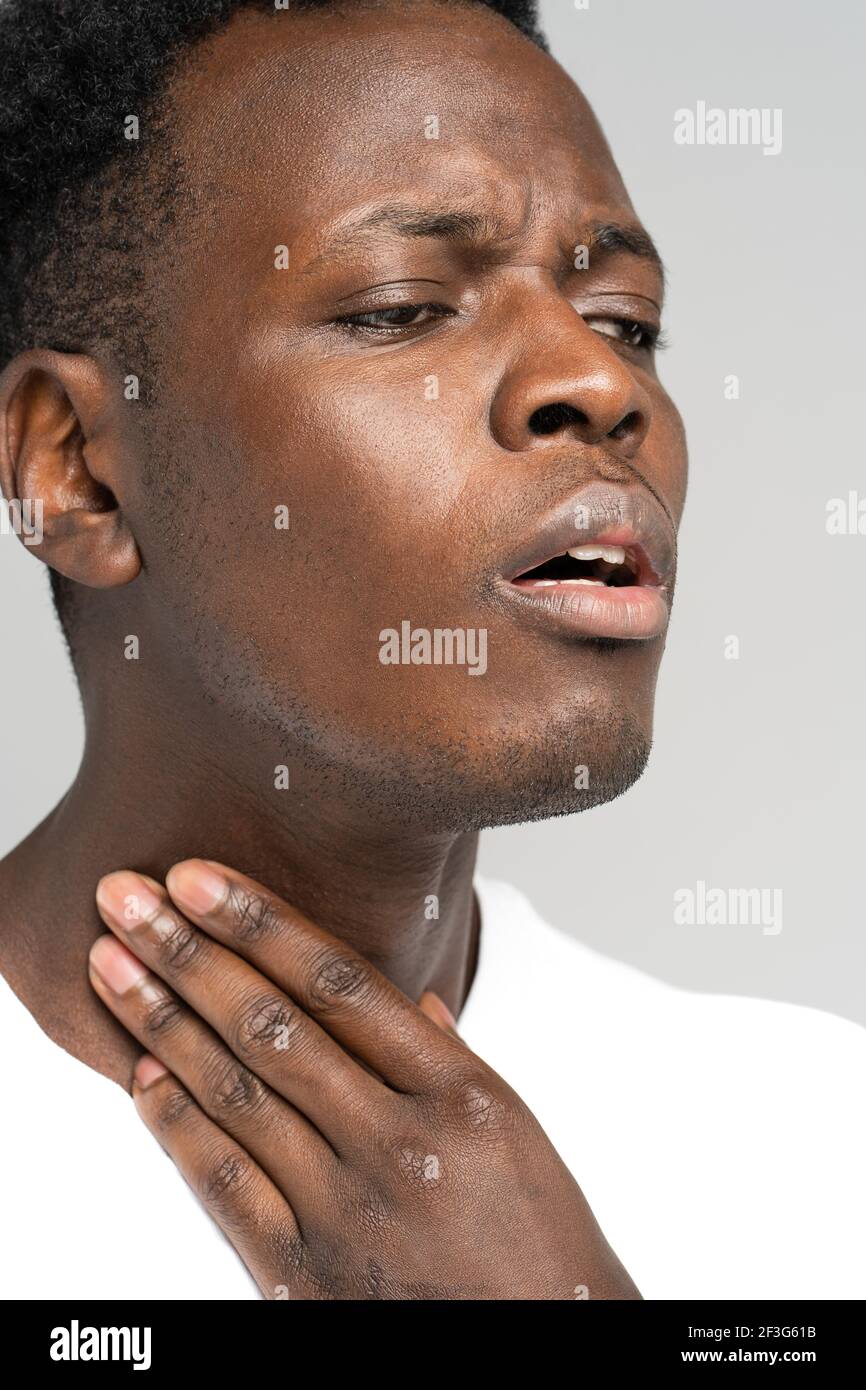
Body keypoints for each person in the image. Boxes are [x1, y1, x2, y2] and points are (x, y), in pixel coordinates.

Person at [0, 0, 863, 1300]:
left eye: (626, 320)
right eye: (407, 309)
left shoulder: (811, 1137)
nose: (599, 380)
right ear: (77, 472)